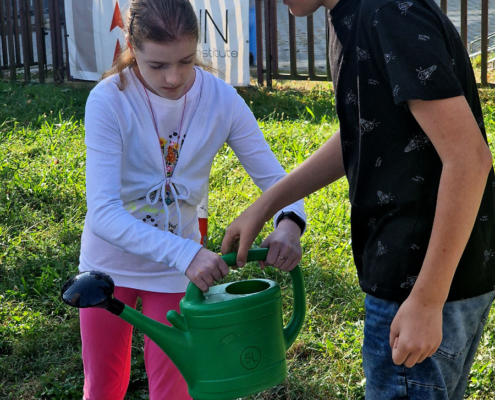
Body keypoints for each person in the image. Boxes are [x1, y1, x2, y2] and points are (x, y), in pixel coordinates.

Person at [221, 0, 495, 399]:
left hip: (419, 285)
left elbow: (469, 160)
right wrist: (267, 204)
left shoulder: (390, 13)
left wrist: (426, 298)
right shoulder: (354, 14)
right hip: (431, 281)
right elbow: (364, 126)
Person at [78, 0, 306, 399]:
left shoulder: (221, 100)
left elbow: (276, 180)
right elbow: (103, 214)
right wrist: (185, 254)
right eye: (157, 65)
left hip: (175, 274)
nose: (173, 78)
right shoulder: (108, 100)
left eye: (185, 61)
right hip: (108, 267)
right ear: (131, 45)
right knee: (103, 386)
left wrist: (290, 221)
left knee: (175, 389)